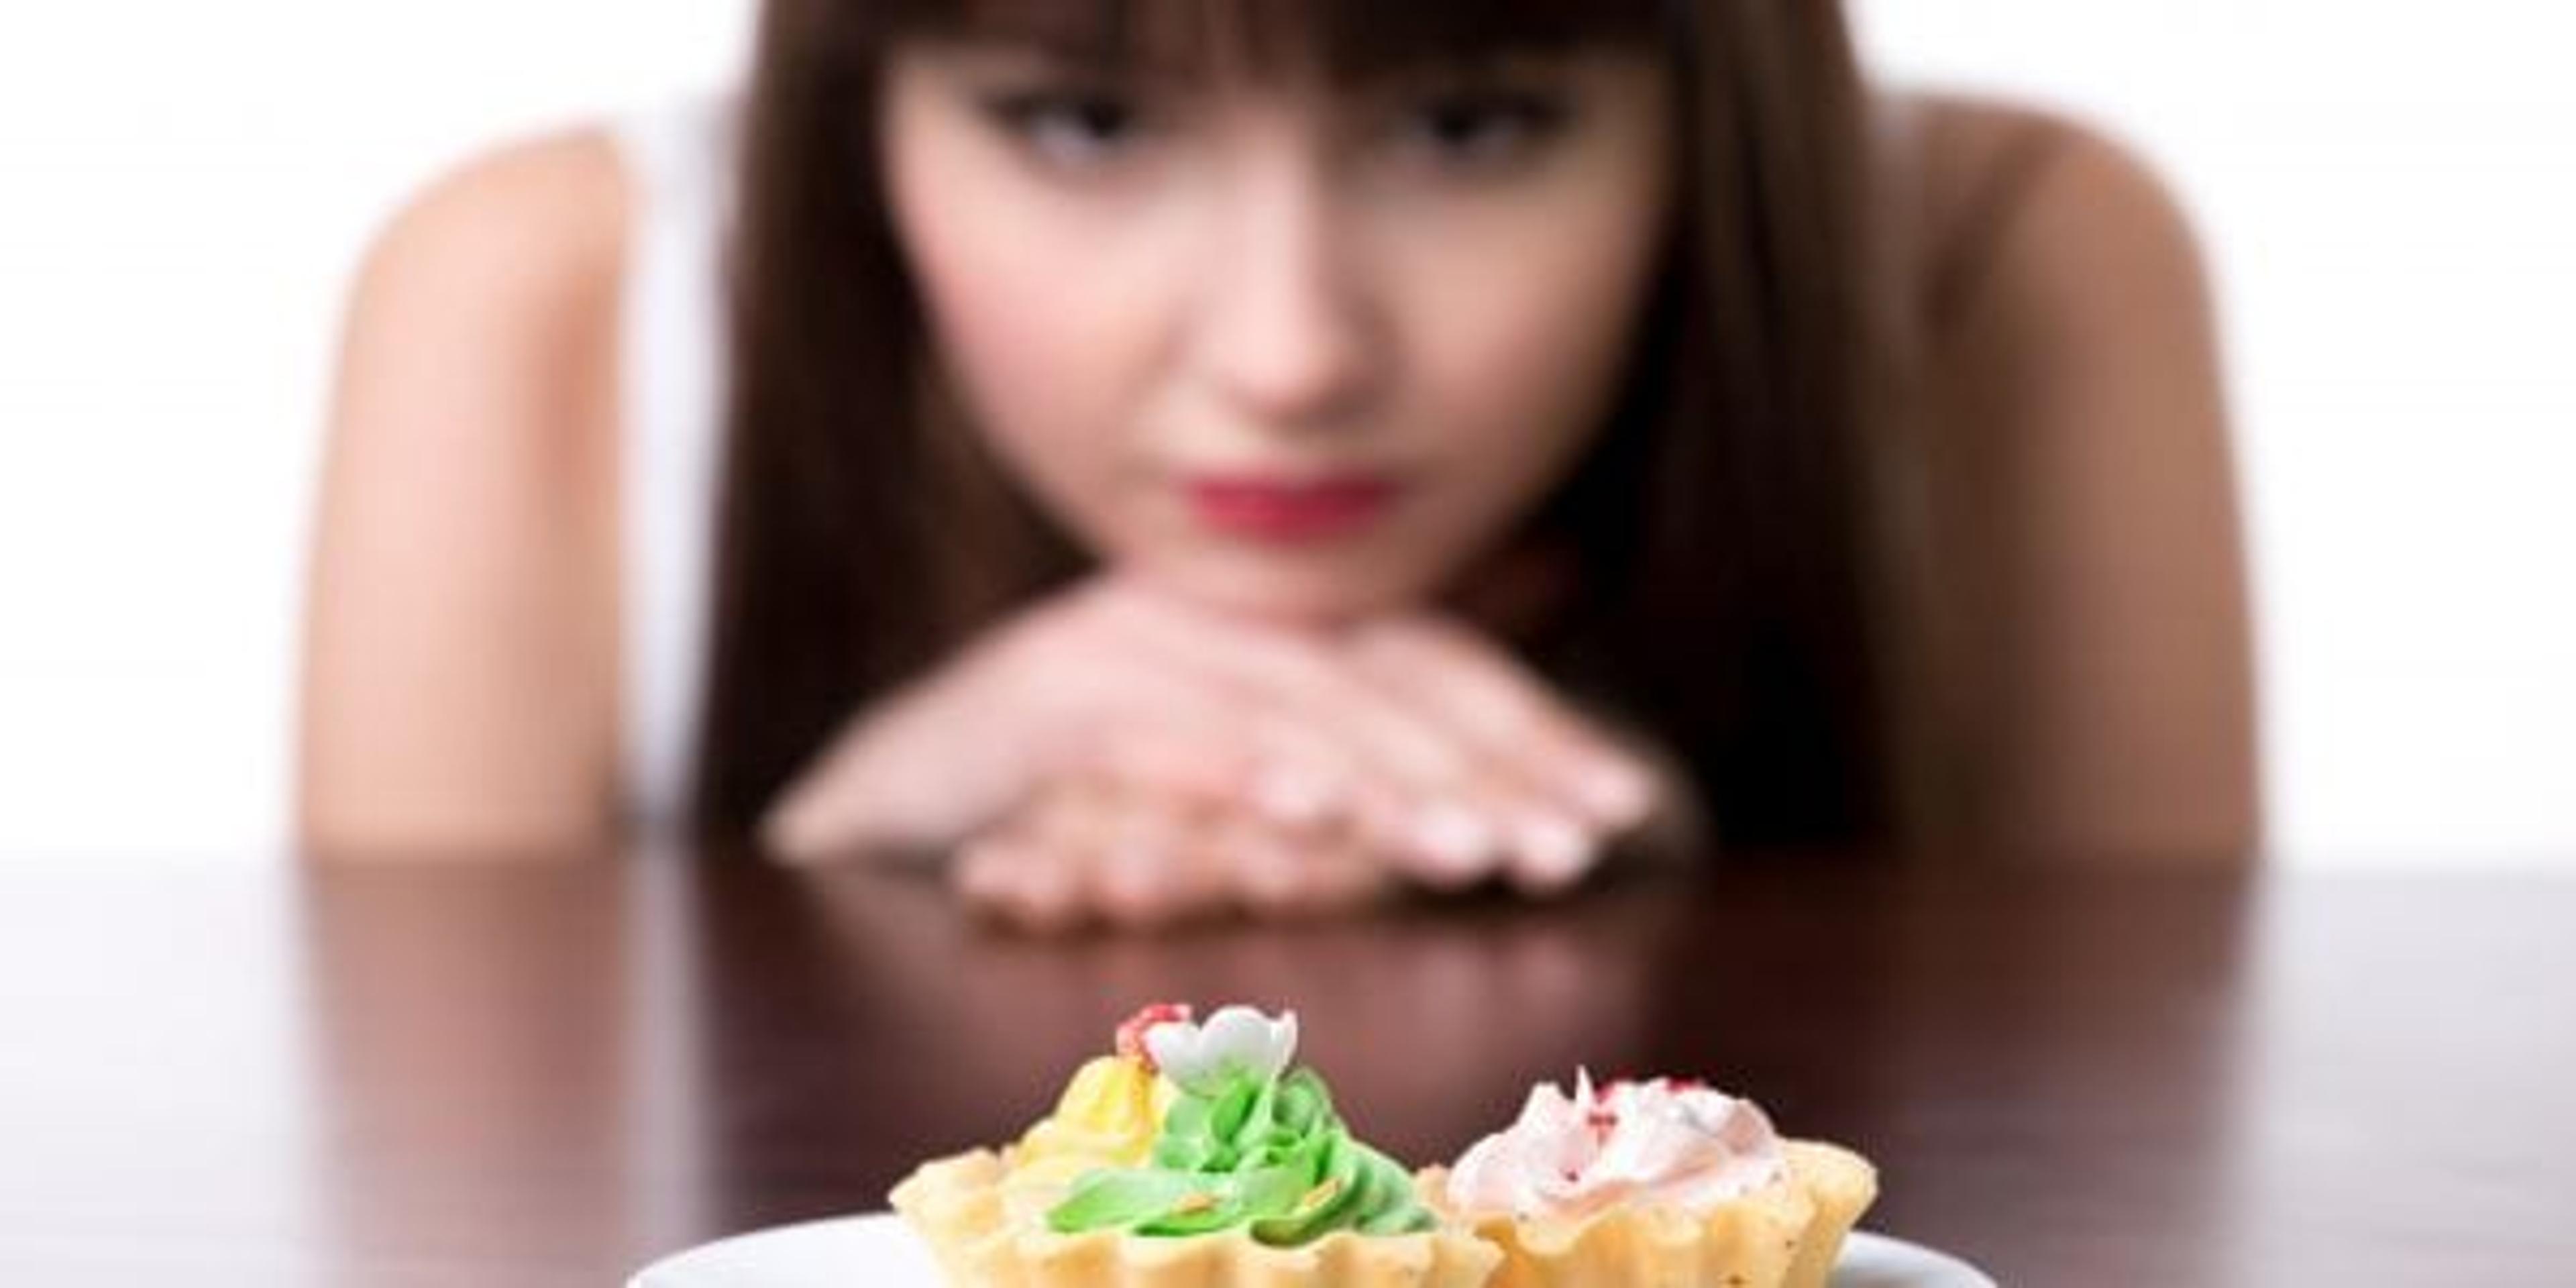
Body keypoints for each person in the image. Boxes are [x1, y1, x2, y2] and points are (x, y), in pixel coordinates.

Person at [299, 0, 2258, 927]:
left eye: (1475, 123)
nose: (1289, 354)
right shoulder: (551, 301)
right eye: (1077, 121)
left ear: (1707, 97)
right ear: (853, 100)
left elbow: (2154, 1124)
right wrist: (836, 857)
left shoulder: (2007, 268)